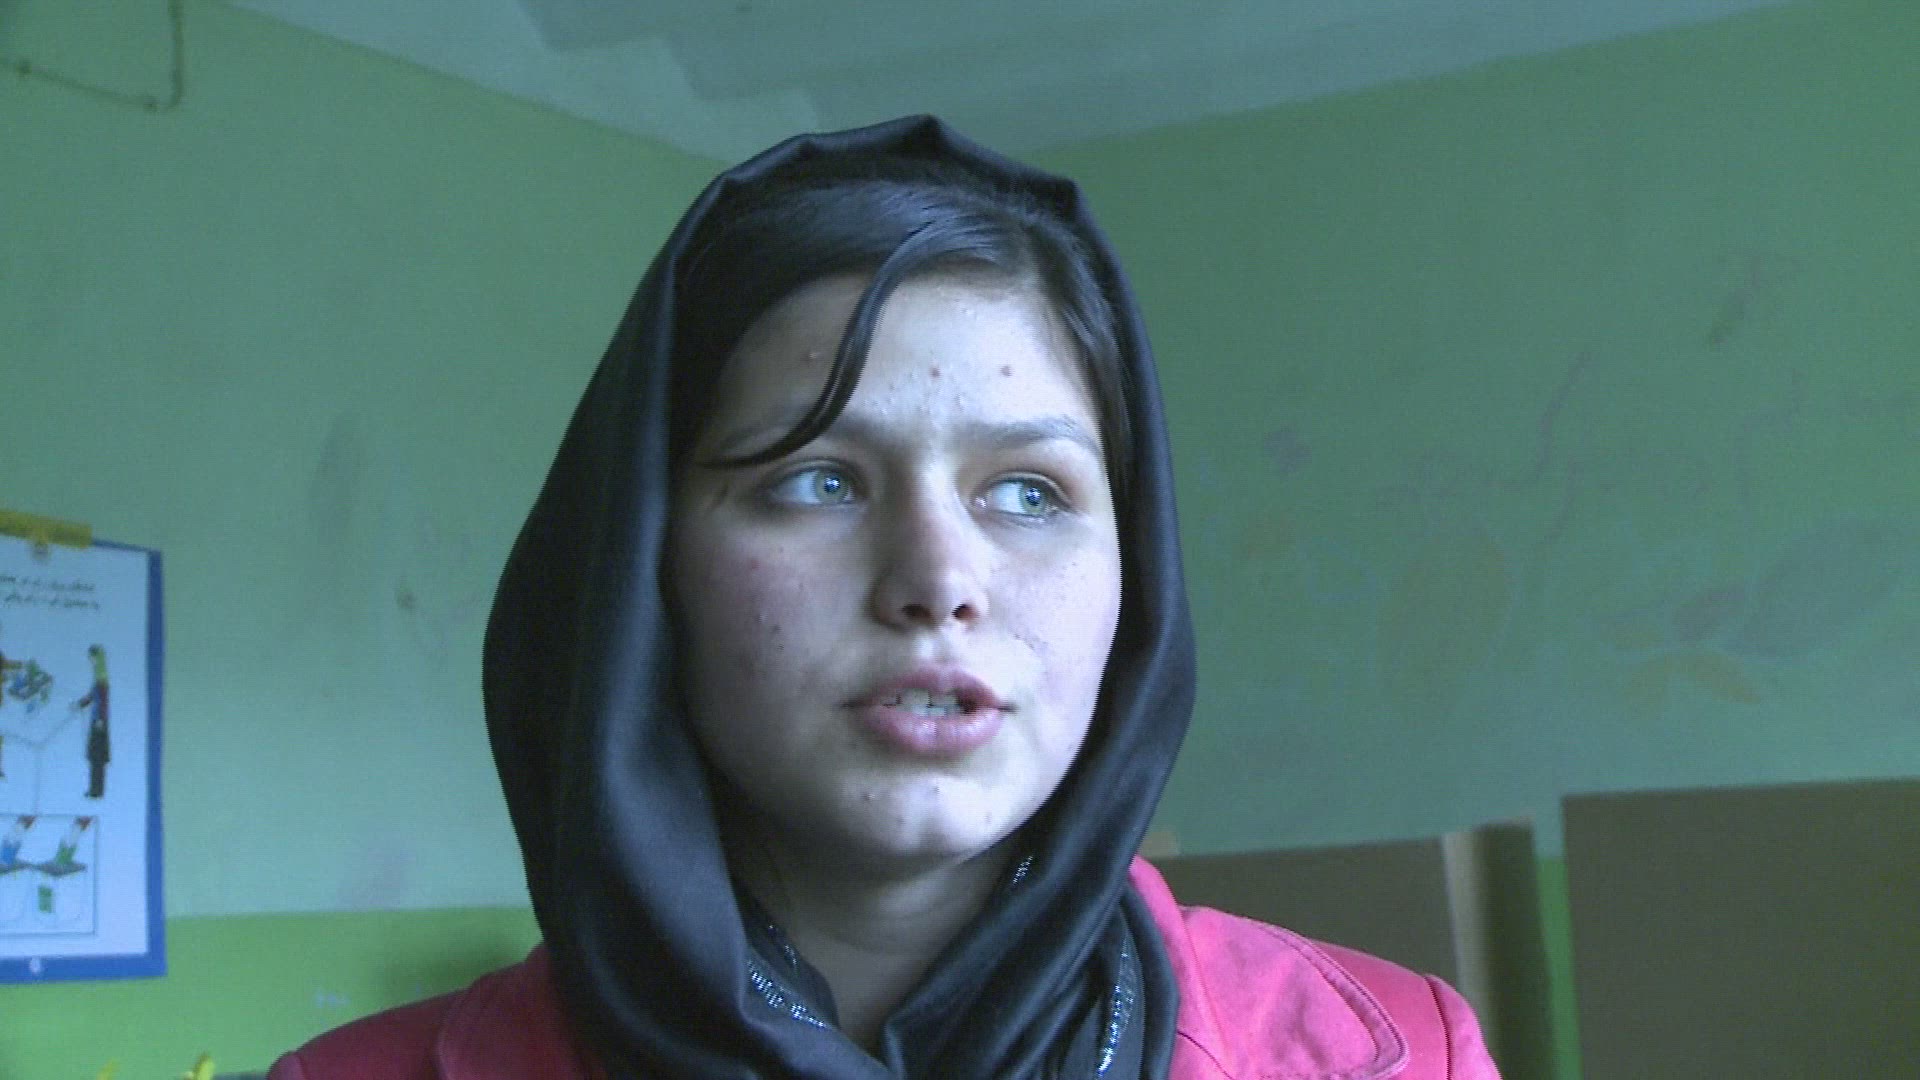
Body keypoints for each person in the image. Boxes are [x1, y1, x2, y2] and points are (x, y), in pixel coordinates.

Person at [270, 116, 1499, 1079]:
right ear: (644, 563)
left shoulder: (1401, 1057)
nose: (939, 582)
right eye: (817, 480)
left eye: (1028, 494)